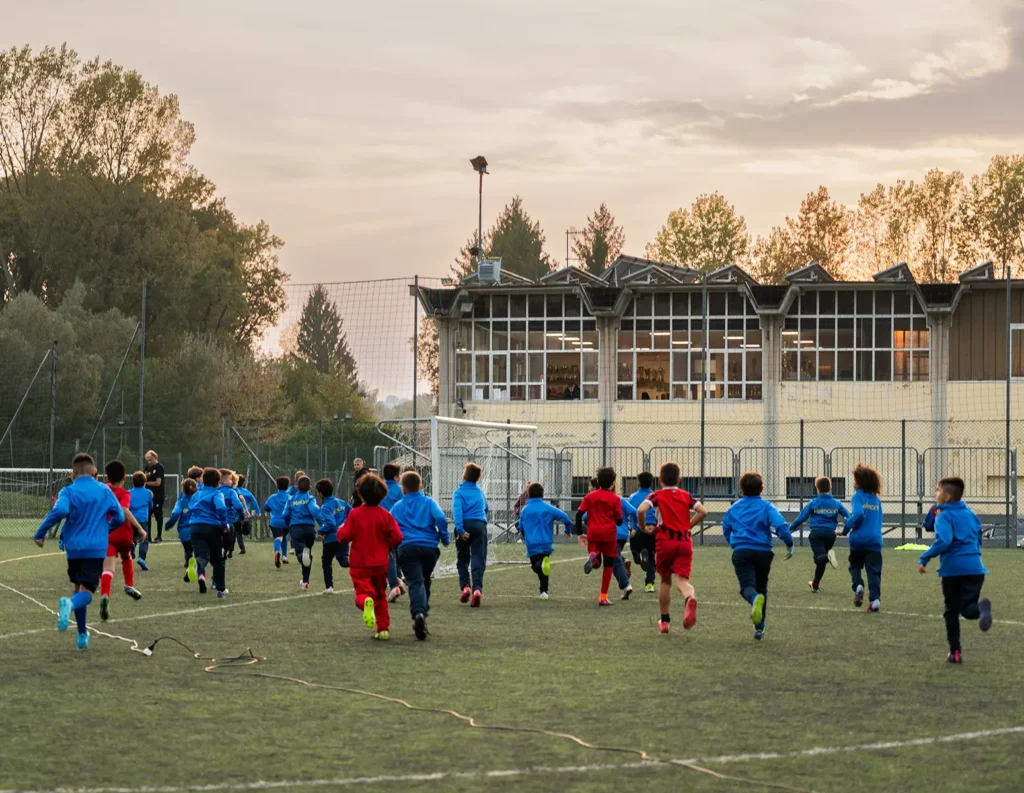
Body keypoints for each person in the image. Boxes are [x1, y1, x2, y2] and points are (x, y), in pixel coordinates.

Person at [33, 453, 125, 650]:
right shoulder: (104, 490)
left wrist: (41, 532)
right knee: (88, 592)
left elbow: (59, 511)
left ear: (72, 473)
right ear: (94, 471)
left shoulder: (68, 491)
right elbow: (119, 516)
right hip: (95, 548)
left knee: (79, 588)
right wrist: (105, 529)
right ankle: (69, 605)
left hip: (74, 549)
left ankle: (82, 634)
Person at [917, 477, 993, 664]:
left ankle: (955, 652)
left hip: (953, 570)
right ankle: (981, 609)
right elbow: (978, 538)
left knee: (951, 611)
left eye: (937, 491)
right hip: (976, 569)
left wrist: (924, 557)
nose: (935, 494)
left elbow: (944, 540)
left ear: (947, 496)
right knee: (967, 609)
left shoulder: (943, 516)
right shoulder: (971, 514)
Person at [722, 471, 794, 641]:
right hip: (764, 552)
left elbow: (726, 529)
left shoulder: (734, 508)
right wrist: (789, 542)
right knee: (762, 587)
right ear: (761, 489)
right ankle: (759, 627)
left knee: (747, 587)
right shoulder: (767, 507)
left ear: (741, 490)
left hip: (742, 552)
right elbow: (780, 526)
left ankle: (754, 600)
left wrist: (735, 543)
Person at [636, 463, 707, 634]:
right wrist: (687, 525)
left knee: (665, 580)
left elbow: (640, 510)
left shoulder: (657, 495)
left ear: (660, 480)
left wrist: (644, 527)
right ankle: (690, 597)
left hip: (665, 541)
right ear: (680, 480)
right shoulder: (686, 495)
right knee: (682, 581)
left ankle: (665, 621)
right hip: (684, 541)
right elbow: (703, 511)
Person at [337, 473, 404, 640]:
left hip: (360, 563)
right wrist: (388, 545)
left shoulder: (355, 514)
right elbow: (397, 537)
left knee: (362, 593)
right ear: (382, 495)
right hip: (381, 563)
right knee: (381, 595)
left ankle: (366, 601)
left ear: (360, 493)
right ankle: (383, 629)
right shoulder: (386, 515)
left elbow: (344, 536)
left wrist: (339, 529)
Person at [391, 470, 449, 640]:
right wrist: (444, 537)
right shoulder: (429, 502)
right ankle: (422, 613)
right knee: (425, 580)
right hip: (430, 549)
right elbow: (441, 518)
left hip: (407, 548)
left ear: (402, 488)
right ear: (421, 486)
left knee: (416, 582)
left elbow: (390, 525)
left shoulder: (397, 506)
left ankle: (418, 613)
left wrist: (393, 544)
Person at [100, 460, 147, 621]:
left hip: (107, 533)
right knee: (127, 557)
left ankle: (105, 595)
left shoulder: (104, 491)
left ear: (107, 477)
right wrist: (140, 528)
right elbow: (125, 510)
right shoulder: (125, 493)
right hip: (124, 533)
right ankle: (129, 585)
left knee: (108, 567)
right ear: (124, 477)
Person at [788, 476, 850, 593]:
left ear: (817, 488)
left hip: (816, 534)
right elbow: (848, 518)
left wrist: (789, 529)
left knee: (820, 558)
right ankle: (815, 584)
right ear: (830, 487)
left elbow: (801, 518)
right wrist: (845, 531)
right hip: (831, 535)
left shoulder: (813, 503)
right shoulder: (837, 503)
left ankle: (828, 557)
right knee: (821, 560)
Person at [574, 467, 623, 606]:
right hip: (609, 534)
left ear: (598, 482)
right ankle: (603, 596)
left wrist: (579, 533)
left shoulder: (590, 496)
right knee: (608, 564)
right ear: (613, 483)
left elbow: (578, 514)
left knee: (596, 557)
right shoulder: (615, 498)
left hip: (593, 532)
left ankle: (594, 556)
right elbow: (619, 520)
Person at [841, 464, 884, 612]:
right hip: (874, 541)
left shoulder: (857, 496)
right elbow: (879, 521)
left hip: (858, 540)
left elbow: (858, 515)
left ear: (860, 482)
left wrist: (847, 527)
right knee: (874, 572)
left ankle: (858, 585)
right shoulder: (876, 500)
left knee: (854, 566)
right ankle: (875, 600)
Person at [517, 482, 572, 598]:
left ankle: (543, 588)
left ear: (528, 494)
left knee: (535, 566)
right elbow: (566, 518)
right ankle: (544, 591)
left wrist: (524, 536)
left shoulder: (525, 510)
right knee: (544, 568)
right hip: (546, 543)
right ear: (543, 494)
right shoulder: (548, 508)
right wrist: (568, 531)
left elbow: (520, 526)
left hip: (532, 543)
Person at [188, 468, 230, 596]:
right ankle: (221, 588)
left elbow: (190, 508)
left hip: (195, 527)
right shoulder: (217, 494)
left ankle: (201, 575)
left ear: (203, 480)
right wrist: (224, 524)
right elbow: (221, 508)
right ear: (218, 482)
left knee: (201, 555)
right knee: (217, 558)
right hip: (211, 527)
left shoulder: (196, 494)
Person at [453, 462, 489, 607]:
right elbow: (486, 508)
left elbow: (457, 512)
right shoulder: (480, 492)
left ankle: (465, 586)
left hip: (464, 526)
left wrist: (460, 530)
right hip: (479, 526)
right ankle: (477, 590)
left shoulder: (458, 492)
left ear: (464, 475)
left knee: (462, 558)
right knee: (478, 557)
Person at [284, 475, 321, 590]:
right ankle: (305, 582)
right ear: (310, 487)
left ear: (296, 487)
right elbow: (315, 510)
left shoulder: (291, 499)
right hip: (309, 528)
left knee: (301, 553)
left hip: (296, 528)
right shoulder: (310, 498)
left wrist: (288, 523)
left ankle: (301, 556)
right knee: (307, 554)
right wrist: (321, 522)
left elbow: (285, 514)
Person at [315, 478, 352, 593]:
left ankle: (329, 587)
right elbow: (352, 512)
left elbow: (331, 523)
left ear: (320, 494)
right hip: (343, 537)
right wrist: (345, 524)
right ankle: (362, 565)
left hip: (331, 539)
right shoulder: (341, 502)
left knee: (326, 561)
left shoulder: (325, 507)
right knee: (343, 561)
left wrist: (321, 531)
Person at [627, 472, 658, 594]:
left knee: (636, 551)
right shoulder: (655, 496)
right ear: (651, 482)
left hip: (639, 529)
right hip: (653, 529)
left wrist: (632, 528)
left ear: (638, 482)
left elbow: (630, 513)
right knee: (651, 556)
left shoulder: (633, 497)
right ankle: (649, 584)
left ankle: (639, 557)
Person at [165, 478, 198, 582]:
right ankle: (197, 568)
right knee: (199, 551)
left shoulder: (181, 502)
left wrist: (169, 524)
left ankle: (189, 566)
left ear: (182, 490)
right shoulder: (199, 500)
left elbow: (175, 514)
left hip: (184, 532)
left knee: (188, 550)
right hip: (198, 529)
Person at [381, 462, 405, 603]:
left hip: (380, 527)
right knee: (392, 554)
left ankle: (394, 585)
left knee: (387, 556)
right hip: (396, 527)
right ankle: (398, 581)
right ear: (396, 477)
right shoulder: (400, 490)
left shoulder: (379, 487)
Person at [219, 469, 249, 559]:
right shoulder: (231, 492)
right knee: (225, 548)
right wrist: (242, 518)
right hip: (228, 523)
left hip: (214, 524)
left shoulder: (214, 491)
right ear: (224, 480)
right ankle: (225, 551)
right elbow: (238, 506)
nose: (232, 482)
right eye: (230, 479)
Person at [129, 471, 155, 571]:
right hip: (143, 519)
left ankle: (132, 544)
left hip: (132, 519)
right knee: (144, 539)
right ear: (145, 482)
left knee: (133, 536)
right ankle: (141, 558)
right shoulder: (148, 493)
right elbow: (151, 506)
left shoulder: (129, 492)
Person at [265, 476, 292, 567]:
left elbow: (266, 507)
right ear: (288, 486)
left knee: (278, 537)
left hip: (275, 522)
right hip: (286, 522)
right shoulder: (290, 497)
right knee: (283, 537)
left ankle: (277, 552)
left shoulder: (272, 497)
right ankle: (284, 556)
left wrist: (272, 508)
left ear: (277, 486)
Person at [144, 450, 166, 544]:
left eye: (150, 460)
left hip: (158, 496)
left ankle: (159, 536)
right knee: (147, 515)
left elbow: (158, 483)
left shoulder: (159, 467)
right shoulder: (147, 467)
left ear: (155, 457)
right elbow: (143, 478)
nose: (149, 462)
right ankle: (147, 536)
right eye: (147, 460)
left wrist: (146, 483)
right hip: (149, 496)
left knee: (158, 515)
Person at [235, 474, 260, 553]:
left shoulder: (233, 492)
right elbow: (254, 501)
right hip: (246, 515)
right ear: (243, 483)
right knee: (245, 531)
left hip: (236, 515)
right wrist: (258, 511)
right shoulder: (247, 492)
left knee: (238, 531)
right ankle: (247, 528)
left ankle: (242, 547)